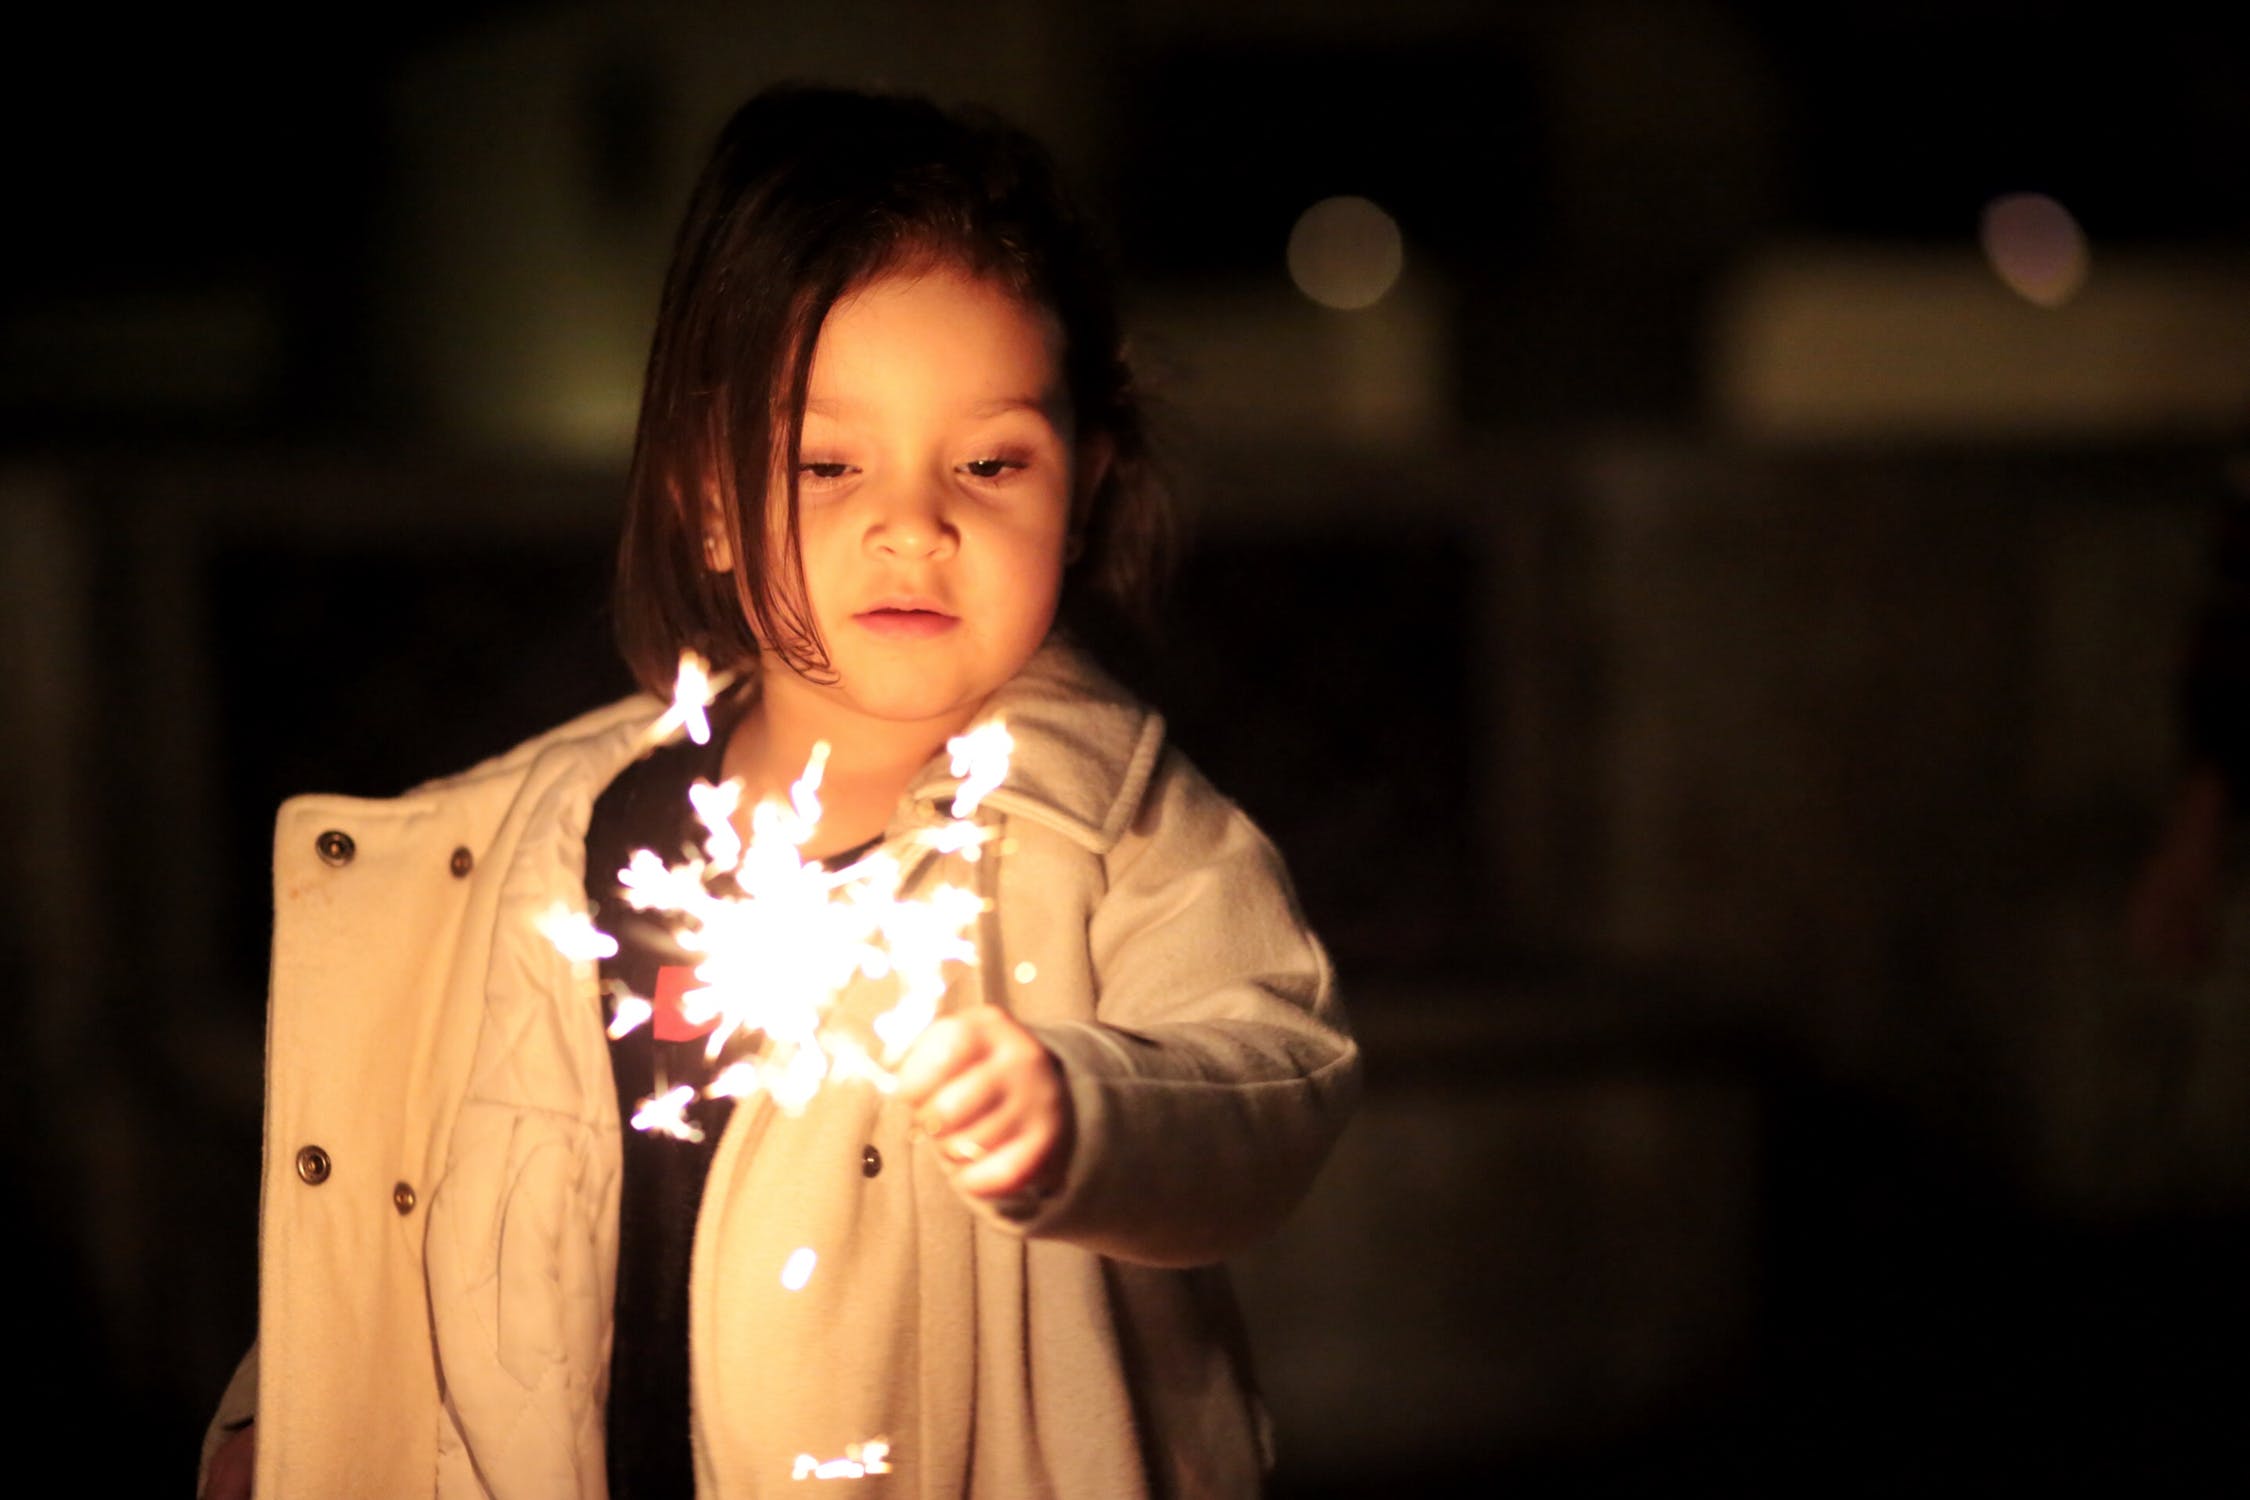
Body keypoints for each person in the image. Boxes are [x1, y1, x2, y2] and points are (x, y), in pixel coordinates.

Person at [200, 83, 1359, 1499]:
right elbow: (405, 1175)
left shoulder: (1112, 835)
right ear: (705, 492)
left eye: (991, 462)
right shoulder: (556, 837)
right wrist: (304, 1407)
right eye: (823, 462)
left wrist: (1085, 1108)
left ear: (1087, 482)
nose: (912, 523)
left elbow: (1269, 1090)